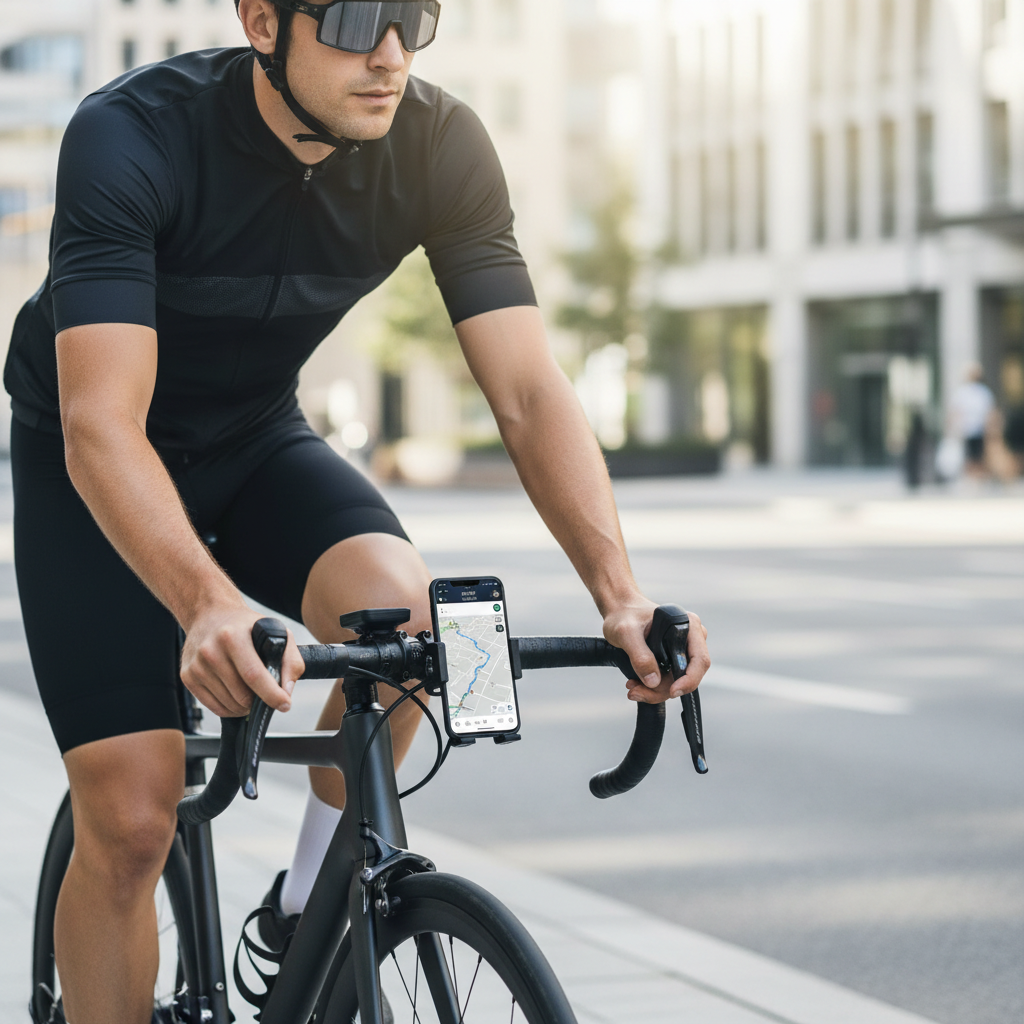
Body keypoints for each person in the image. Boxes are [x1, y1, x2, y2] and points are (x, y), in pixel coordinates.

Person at [3, 2, 711, 1022]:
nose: (389, 54)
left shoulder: (440, 142)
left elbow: (525, 393)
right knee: (130, 816)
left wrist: (620, 596)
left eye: (413, 20)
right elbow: (101, 423)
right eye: (349, 19)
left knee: (407, 617)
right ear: (261, 22)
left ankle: (301, 907)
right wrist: (206, 602)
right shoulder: (132, 134)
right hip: (101, 452)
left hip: (254, 437)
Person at [949, 362, 995, 479]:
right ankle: (971, 479)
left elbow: (989, 412)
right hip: (967, 430)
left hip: (980, 430)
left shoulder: (983, 392)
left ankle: (978, 479)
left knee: (979, 456)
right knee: (969, 457)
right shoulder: (962, 392)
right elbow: (956, 412)